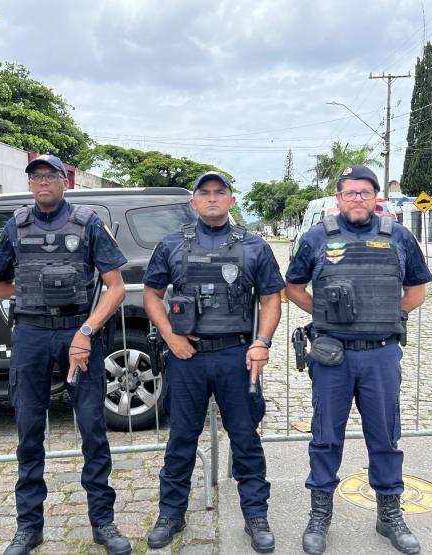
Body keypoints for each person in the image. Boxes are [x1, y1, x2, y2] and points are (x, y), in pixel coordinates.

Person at [0, 154, 132, 555]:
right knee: (29, 433)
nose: (44, 183)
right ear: (31, 185)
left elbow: (116, 287)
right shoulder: (15, 227)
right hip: (31, 334)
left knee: (93, 431)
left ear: (64, 182)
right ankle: (28, 527)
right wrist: (37, 290)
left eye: (51, 176)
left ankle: (103, 523)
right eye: (37, 177)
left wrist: (86, 330)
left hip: (78, 333)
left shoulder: (88, 224)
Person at [285, 165, 432, 555]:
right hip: (332, 355)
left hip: (381, 354)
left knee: (385, 437)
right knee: (325, 437)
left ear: (376, 197)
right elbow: (293, 286)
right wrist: (322, 313)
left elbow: (417, 289)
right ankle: (319, 517)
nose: (357, 199)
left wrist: (392, 317)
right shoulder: (317, 237)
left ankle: (389, 516)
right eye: (350, 193)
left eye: (365, 193)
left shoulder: (399, 236)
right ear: (338, 198)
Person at [143, 171, 283, 554]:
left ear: (232, 200)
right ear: (193, 202)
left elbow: (272, 299)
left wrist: (262, 342)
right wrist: (171, 337)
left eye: (219, 192)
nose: (211, 198)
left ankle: (256, 516)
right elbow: (152, 295)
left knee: (245, 438)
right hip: (187, 357)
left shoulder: (254, 247)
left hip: (235, 356)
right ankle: (171, 514)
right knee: (181, 440)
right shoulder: (171, 245)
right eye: (203, 193)